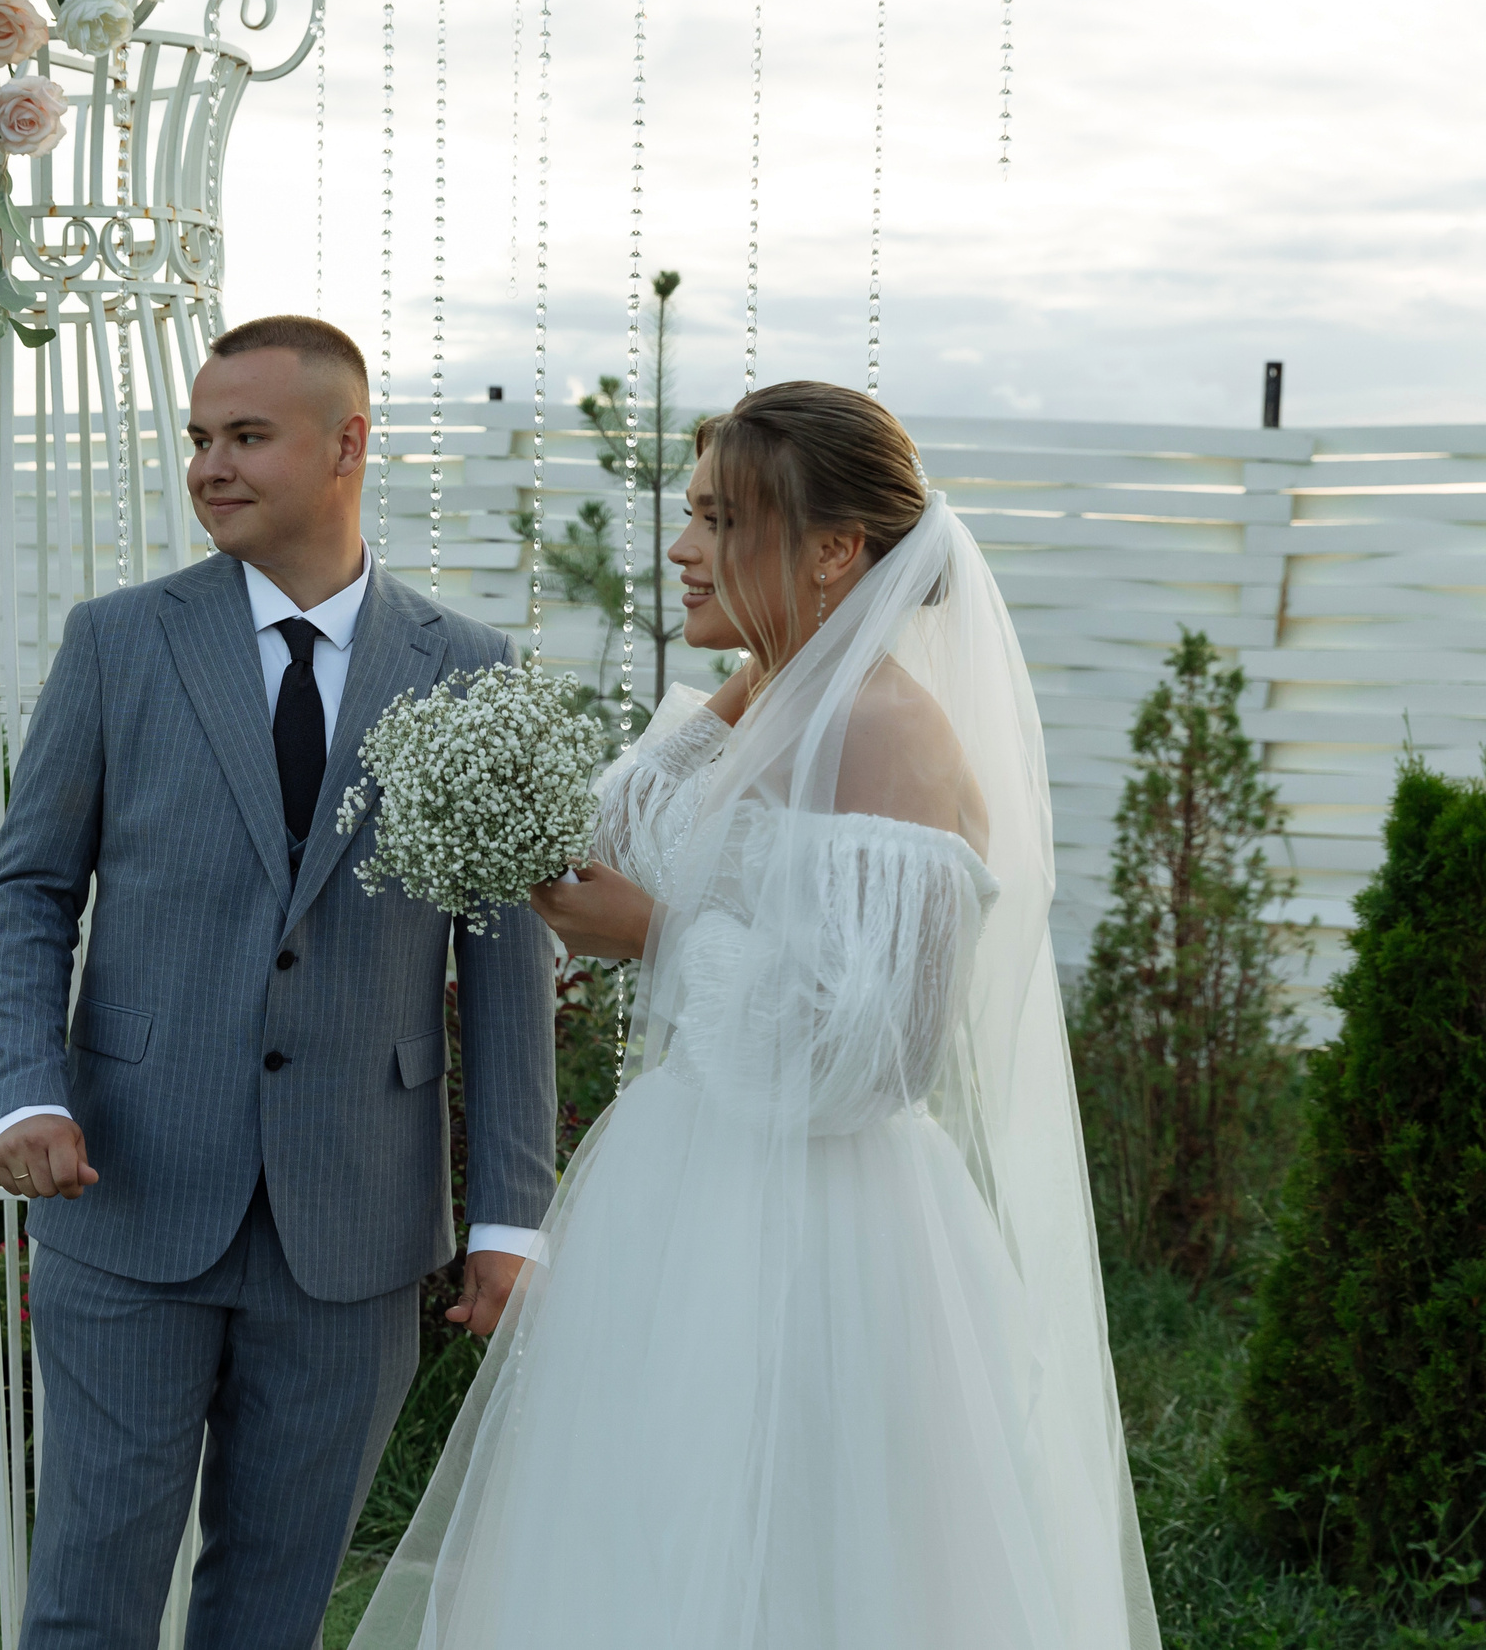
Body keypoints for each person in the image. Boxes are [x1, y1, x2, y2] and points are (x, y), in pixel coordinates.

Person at [351, 382, 1160, 1650]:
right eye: (691, 514)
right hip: (683, 1187)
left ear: (835, 552)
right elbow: (621, 827)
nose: (682, 548)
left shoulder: (888, 734)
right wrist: (740, 685)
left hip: (815, 1235)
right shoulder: (773, 694)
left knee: (795, 1564)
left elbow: (869, 1056)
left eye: (720, 521)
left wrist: (660, 940)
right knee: (636, 1548)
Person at [0, 314, 559, 1649]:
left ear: (348, 445)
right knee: (85, 1601)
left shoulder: (472, 669)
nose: (210, 466)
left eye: (246, 436)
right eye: (199, 438)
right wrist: (26, 1093)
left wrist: (509, 1216)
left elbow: (503, 954)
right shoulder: (119, 643)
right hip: (128, 1197)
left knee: (274, 1612)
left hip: (355, 1223)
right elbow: (27, 892)